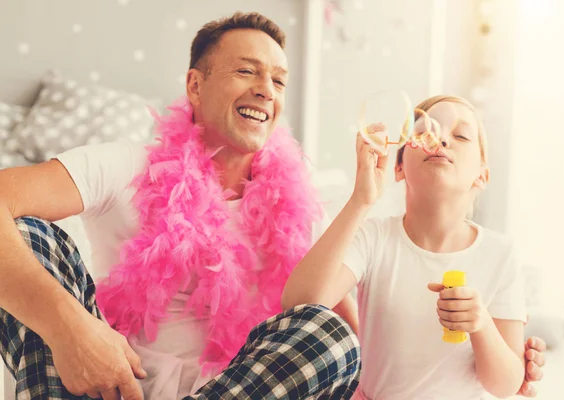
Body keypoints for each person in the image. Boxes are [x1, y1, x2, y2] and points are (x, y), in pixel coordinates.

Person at [0, 12, 360, 400]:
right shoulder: (127, 166)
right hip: (109, 385)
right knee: (27, 236)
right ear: (195, 85)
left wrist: (364, 199)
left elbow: (341, 332)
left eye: (278, 80)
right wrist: (67, 327)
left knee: (331, 334)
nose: (265, 90)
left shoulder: (302, 210)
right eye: (246, 71)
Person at [282, 95, 546, 399]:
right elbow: (299, 305)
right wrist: (361, 199)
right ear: (399, 167)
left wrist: (481, 323)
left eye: (460, 135)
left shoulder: (500, 254)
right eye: (424, 131)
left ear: (482, 175)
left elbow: (506, 385)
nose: (442, 139)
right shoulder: (374, 238)